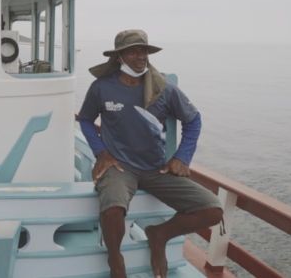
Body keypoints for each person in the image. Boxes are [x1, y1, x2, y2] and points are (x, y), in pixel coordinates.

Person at [77, 29, 222, 278]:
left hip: (157, 169)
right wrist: (101, 152)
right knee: (112, 209)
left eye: (143, 50)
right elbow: (87, 120)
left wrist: (182, 157)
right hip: (120, 168)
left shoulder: (163, 88)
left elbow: (194, 120)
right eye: (133, 51)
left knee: (212, 209)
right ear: (120, 56)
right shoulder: (102, 88)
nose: (140, 56)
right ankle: (116, 260)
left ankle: (160, 234)